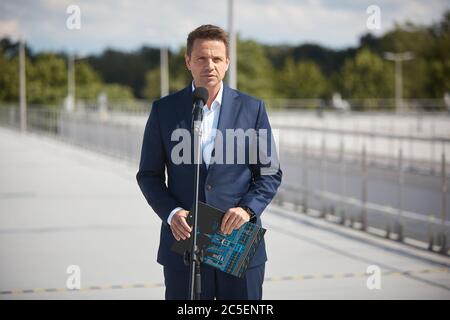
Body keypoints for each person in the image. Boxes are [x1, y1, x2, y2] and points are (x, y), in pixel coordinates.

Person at [136, 24, 282, 300]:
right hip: (184, 240)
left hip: (237, 241)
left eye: (217, 59)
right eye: (202, 58)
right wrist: (171, 213)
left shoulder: (252, 109)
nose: (210, 65)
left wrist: (247, 210)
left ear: (227, 63)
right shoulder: (164, 110)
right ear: (188, 61)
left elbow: (270, 173)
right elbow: (149, 175)